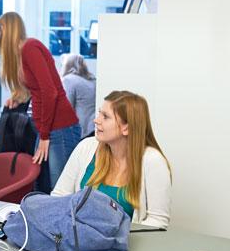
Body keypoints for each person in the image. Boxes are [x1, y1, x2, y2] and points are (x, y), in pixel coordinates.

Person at [51, 91, 172, 228]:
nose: (96, 120)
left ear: (127, 128)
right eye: (99, 113)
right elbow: (59, 196)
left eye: (106, 117)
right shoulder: (86, 147)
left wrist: (114, 238)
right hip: (79, 241)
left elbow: (158, 221)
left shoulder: (153, 161)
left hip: (126, 246)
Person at [0, 11, 81, 192]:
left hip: (59, 128)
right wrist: (19, 97)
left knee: (60, 190)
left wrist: (44, 136)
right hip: (47, 128)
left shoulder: (30, 48)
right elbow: (38, 89)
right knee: (40, 186)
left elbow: (50, 92)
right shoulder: (23, 52)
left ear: (3, 30)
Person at [60, 53, 96, 138]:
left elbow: (67, 109)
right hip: (94, 129)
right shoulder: (93, 80)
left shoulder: (68, 80)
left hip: (80, 131)